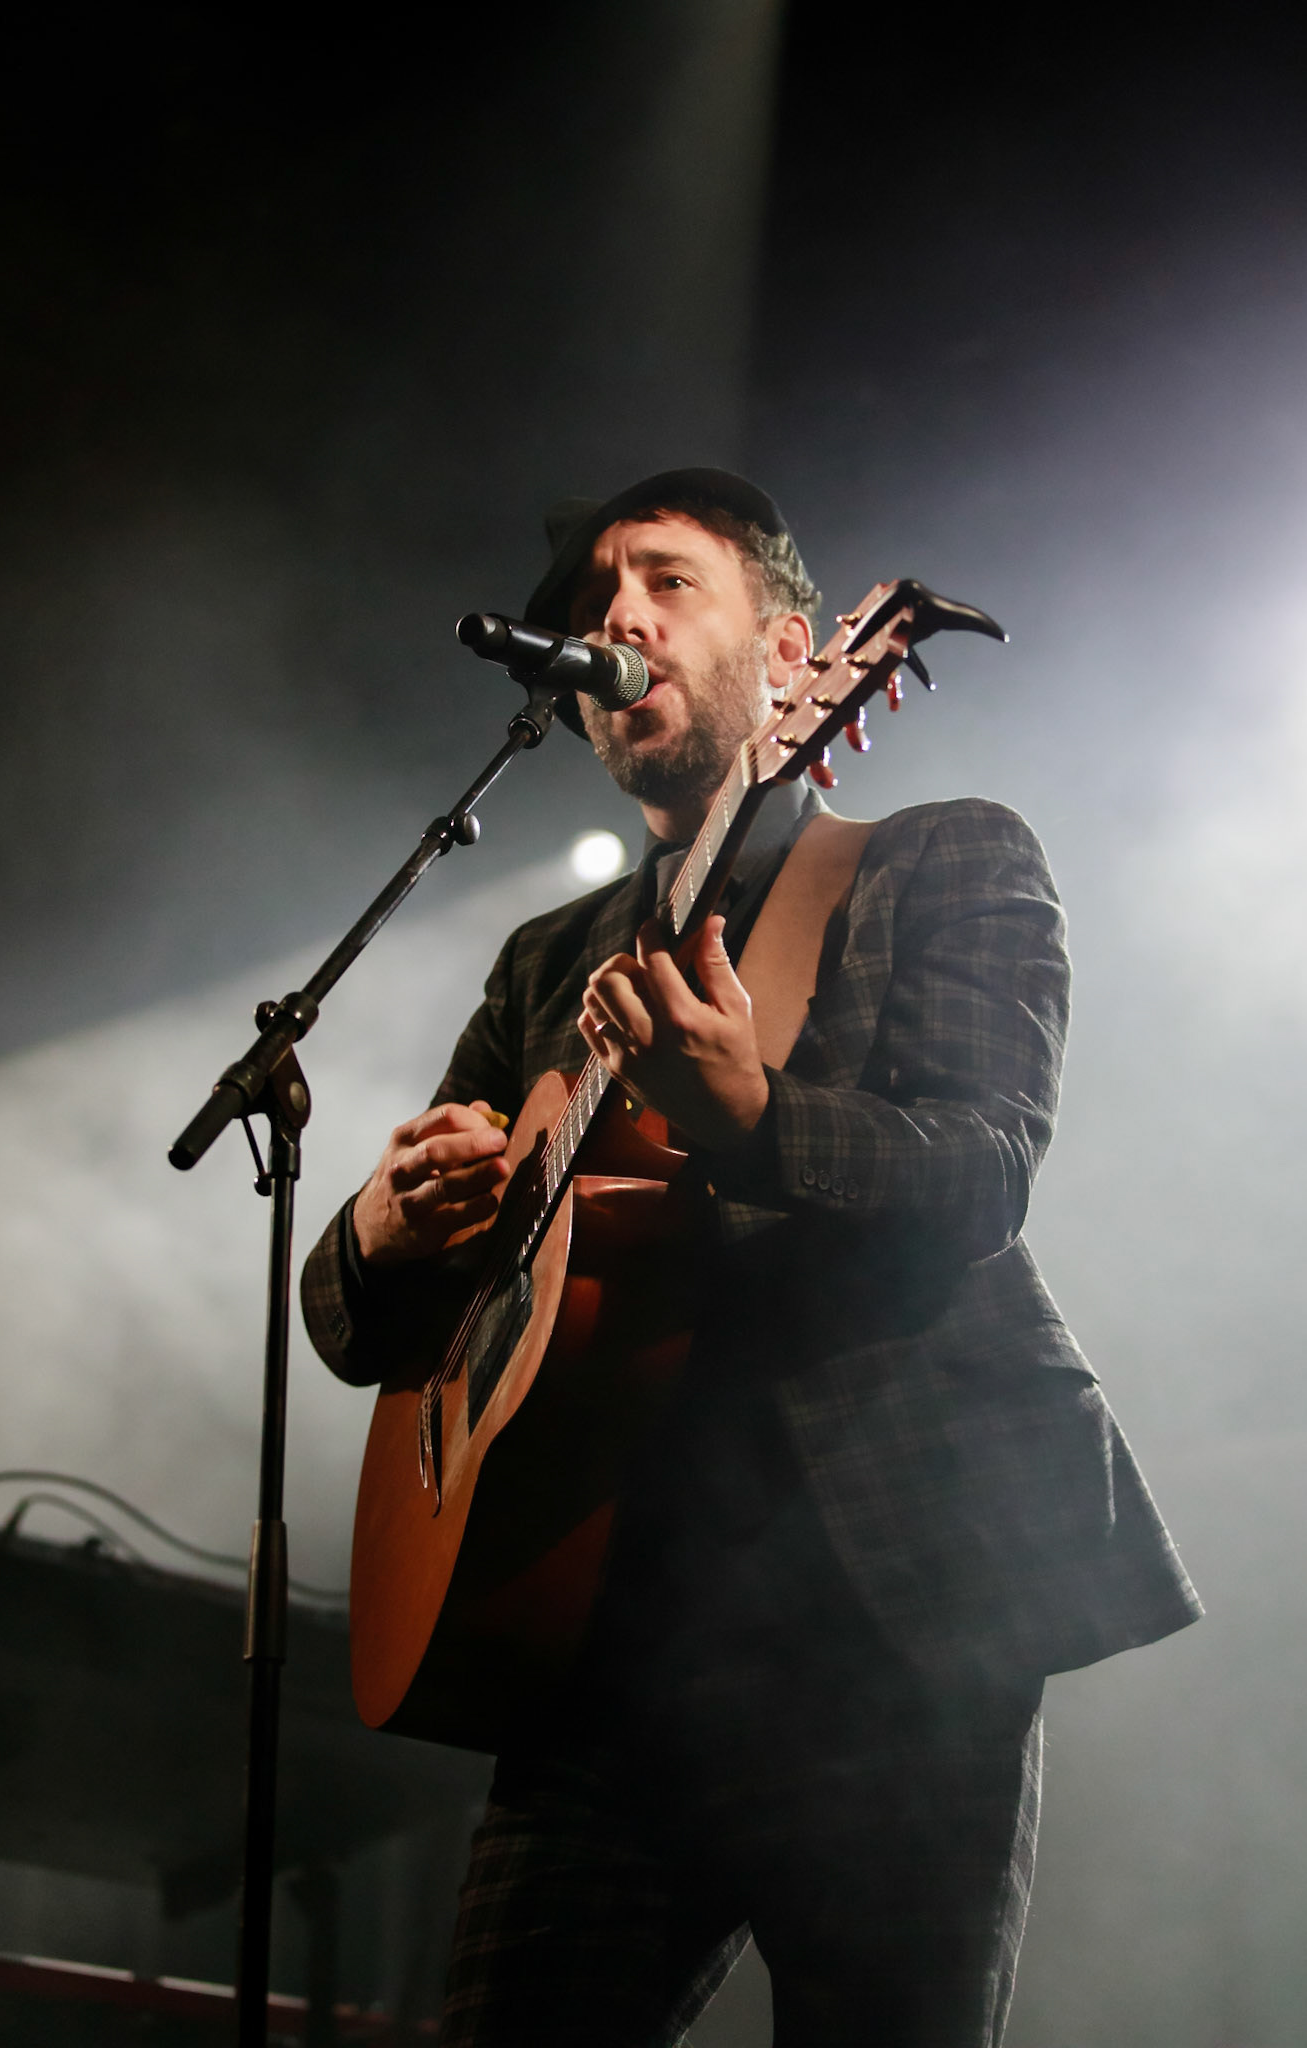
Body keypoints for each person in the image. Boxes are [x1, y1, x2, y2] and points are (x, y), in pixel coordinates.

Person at [301, 469, 1201, 2047]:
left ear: (799, 657)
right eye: (593, 600)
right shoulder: (546, 963)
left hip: (886, 1625)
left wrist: (750, 1116)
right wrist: (381, 1233)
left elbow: (980, 1175)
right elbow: (364, 1327)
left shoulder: (941, 858)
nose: (612, 619)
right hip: (596, 1644)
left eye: (662, 581)